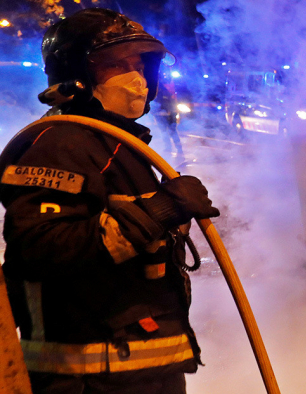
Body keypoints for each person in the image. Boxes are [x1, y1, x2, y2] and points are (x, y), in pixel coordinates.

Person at [0, 8, 219, 394]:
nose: (136, 79)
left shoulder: (114, 146)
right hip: (87, 380)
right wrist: (161, 210)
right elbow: (39, 247)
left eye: (140, 64)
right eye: (117, 65)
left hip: (135, 372)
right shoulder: (59, 145)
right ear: (77, 75)